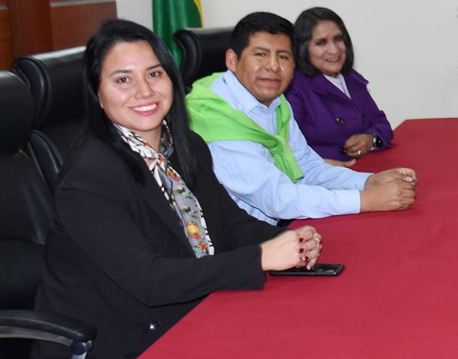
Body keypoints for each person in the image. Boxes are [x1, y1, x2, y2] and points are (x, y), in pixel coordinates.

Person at [35, 19, 322, 358]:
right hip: (122, 340)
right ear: (97, 92)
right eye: (123, 80)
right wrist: (261, 258)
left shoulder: (185, 145)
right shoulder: (88, 179)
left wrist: (287, 241)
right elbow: (150, 281)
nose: (144, 91)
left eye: (154, 74)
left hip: (194, 312)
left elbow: (230, 225)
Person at [185, 12, 416, 224]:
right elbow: (276, 198)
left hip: (282, 226)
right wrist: (365, 200)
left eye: (283, 56)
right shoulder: (217, 118)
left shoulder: (275, 102)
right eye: (260, 55)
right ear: (232, 61)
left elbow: (306, 166)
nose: (273, 66)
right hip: (239, 247)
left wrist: (367, 182)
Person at [285, 7, 394, 162]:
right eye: (321, 43)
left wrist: (371, 140)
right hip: (326, 179)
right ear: (304, 49)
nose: (334, 50)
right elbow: (289, 149)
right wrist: (323, 165)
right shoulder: (295, 88)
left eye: (338, 39)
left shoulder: (352, 79)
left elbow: (381, 122)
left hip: (369, 168)